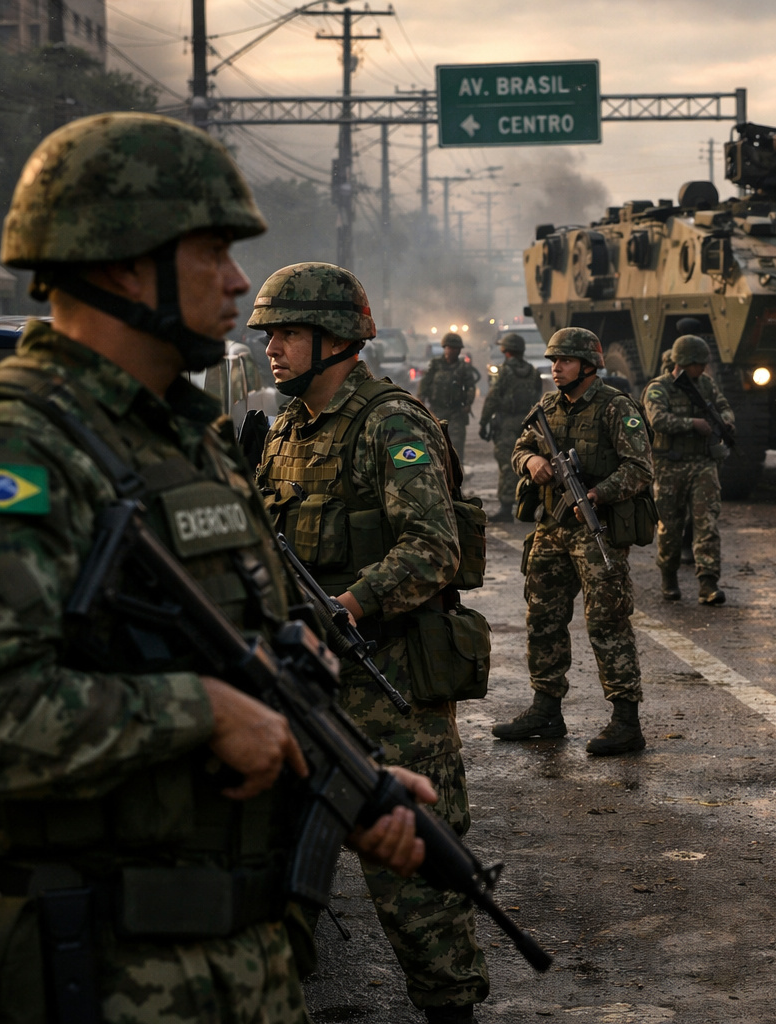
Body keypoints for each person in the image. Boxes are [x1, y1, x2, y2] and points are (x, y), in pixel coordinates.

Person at [0, 112, 430, 1024]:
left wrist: (342, 780)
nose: (239, 283)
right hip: (90, 971)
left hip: (229, 966)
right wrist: (198, 714)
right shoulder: (11, 445)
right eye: (211, 252)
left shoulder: (180, 439)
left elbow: (240, 654)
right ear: (124, 263)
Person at [253, 263, 489, 1024]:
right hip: (304, 685)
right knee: (277, 875)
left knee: (417, 889)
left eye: (287, 333)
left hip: (388, 689)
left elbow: (433, 548)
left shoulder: (392, 423)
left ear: (335, 339)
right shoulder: (288, 427)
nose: (272, 348)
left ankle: (451, 1010)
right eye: (270, 334)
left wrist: (348, 606)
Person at [492, 327, 654, 756]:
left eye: (563, 361)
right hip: (552, 528)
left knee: (607, 622)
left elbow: (640, 469)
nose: (555, 368)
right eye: (553, 361)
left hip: (596, 529)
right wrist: (532, 461)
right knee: (542, 618)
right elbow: (518, 448)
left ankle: (626, 721)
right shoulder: (547, 406)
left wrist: (598, 495)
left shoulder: (616, 407)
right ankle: (546, 710)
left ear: (587, 364)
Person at [642, 334, 735, 604]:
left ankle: (708, 583)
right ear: (683, 363)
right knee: (670, 526)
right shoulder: (659, 388)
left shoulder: (705, 384)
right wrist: (692, 423)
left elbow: (724, 407)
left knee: (707, 522)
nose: (704, 369)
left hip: (703, 463)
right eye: (699, 364)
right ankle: (668, 577)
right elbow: (657, 419)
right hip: (670, 465)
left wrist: (726, 422)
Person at [478, 332, 543, 517]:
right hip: (529, 424)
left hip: (506, 423)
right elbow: (538, 396)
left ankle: (506, 507)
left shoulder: (504, 371)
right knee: (529, 462)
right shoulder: (533, 371)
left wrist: (483, 422)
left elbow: (492, 398)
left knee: (507, 463)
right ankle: (528, 506)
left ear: (506, 351)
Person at [420, 332, 480, 465]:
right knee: (435, 443)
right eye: (449, 348)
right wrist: (421, 400)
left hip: (456, 412)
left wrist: (468, 403)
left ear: (459, 350)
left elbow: (470, 387)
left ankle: (457, 471)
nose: (452, 351)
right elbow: (425, 383)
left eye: (455, 348)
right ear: (444, 348)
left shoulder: (463, 367)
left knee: (457, 444)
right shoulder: (435, 365)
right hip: (437, 410)